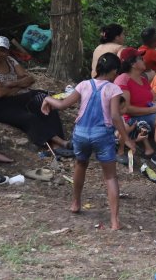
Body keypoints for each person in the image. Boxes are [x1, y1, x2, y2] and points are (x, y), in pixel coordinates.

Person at [41, 52, 135, 229]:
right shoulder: (113, 89)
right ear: (114, 70)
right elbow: (115, 116)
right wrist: (126, 138)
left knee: (80, 165)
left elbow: (62, 105)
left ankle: (75, 203)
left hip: (81, 133)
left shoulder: (84, 84)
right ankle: (115, 221)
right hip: (102, 135)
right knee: (110, 176)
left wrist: (47, 99)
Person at [0, 36, 69, 155]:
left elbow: (30, 78)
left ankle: (57, 144)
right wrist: (20, 86)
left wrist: (12, 84)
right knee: (28, 118)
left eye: (3, 50)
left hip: (17, 97)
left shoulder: (10, 60)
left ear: (7, 51)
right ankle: (60, 142)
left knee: (45, 101)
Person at [116, 48, 156, 163]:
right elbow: (126, 109)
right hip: (133, 120)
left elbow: (154, 98)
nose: (144, 61)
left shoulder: (143, 79)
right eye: (140, 58)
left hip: (149, 113)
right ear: (133, 64)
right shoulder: (123, 80)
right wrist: (153, 109)